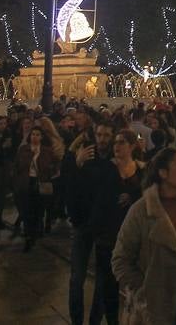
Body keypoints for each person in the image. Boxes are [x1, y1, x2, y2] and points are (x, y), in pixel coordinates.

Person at [112, 148, 176, 325]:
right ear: (163, 173)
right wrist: (144, 290)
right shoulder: (142, 210)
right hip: (156, 308)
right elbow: (120, 259)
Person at [90, 128, 145, 324]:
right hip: (108, 233)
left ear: (131, 146)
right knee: (107, 284)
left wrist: (132, 197)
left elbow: (145, 196)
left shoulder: (141, 170)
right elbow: (97, 197)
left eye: (121, 142)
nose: (117, 146)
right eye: (116, 143)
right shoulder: (105, 168)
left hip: (131, 233)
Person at [64, 119, 115, 325]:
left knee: (102, 281)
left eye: (106, 136)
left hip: (104, 227)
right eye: (99, 135)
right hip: (83, 223)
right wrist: (76, 163)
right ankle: (76, 320)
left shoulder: (115, 160)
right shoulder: (85, 156)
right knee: (77, 278)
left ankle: (94, 320)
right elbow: (69, 185)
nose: (102, 139)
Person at [13, 125, 60, 251]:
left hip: (40, 182)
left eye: (38, 135)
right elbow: (17, 166)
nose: (35, 137)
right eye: (33, 134)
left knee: (38, 210)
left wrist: (50, 172)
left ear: (42, 137)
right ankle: (29, 236)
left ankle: (36, 231)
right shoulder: (23, 149)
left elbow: (55, 165)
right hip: (26, 182)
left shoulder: (47, 150)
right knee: (27, 210)